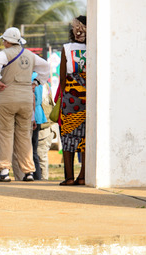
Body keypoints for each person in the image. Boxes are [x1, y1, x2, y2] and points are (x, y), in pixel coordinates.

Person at [0, 27, 49, 182]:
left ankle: (3, 171)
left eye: (4, 40)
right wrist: (37, 82)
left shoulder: (4, 53)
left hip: (6, 97)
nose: (3, 42)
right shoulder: (30, 55)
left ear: (7, 41)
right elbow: (46, 67)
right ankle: (28, 172)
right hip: (26, 98)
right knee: (24, 135)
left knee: (5, 134)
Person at [58, 16, 87, 186]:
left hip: (71, 96)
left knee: (68, 135)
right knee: (86, 137)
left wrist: (64, 97)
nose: (78, 31)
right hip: (90, 96)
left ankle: (69, 177)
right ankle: (82, 177)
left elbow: (62, 78)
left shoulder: (66, 48)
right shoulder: (96, 47)